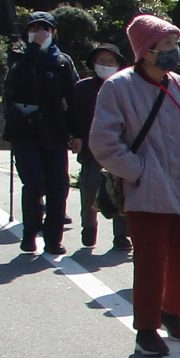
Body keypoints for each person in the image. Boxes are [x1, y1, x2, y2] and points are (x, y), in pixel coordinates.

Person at [89, 13, 180, 356]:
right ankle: (146, 328)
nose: (173, 50)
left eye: (174, 43)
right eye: (165, 44)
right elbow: (103, 142)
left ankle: (172, 311)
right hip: (146, 190)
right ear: (146, 50)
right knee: (151, 260)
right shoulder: (118, 87)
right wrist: (138, 171)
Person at [1, 11, 79, 255]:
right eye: (34, 29)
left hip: (54, 132)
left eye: (45, 29)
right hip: (24, 132)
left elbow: (73, 97)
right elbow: (17, 81)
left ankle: (53, 239)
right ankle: (30, 233)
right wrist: (34, 49)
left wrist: (77, 133)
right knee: (34, 182)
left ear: (54, 32)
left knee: (58, 186)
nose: (40, 33)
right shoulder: (19, 57)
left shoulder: (63, 61)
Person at [68, 37, 130, 253]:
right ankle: (88, 227)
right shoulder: (82, 88)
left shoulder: (126, 87)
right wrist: (76, 136)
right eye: (101, 60)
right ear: (93, 63)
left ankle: (121, 236)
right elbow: (74, 116)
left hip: (120, 148)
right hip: (90, 148)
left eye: (110, 60)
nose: (105, 64)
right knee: (89, 188)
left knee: (121, 191)